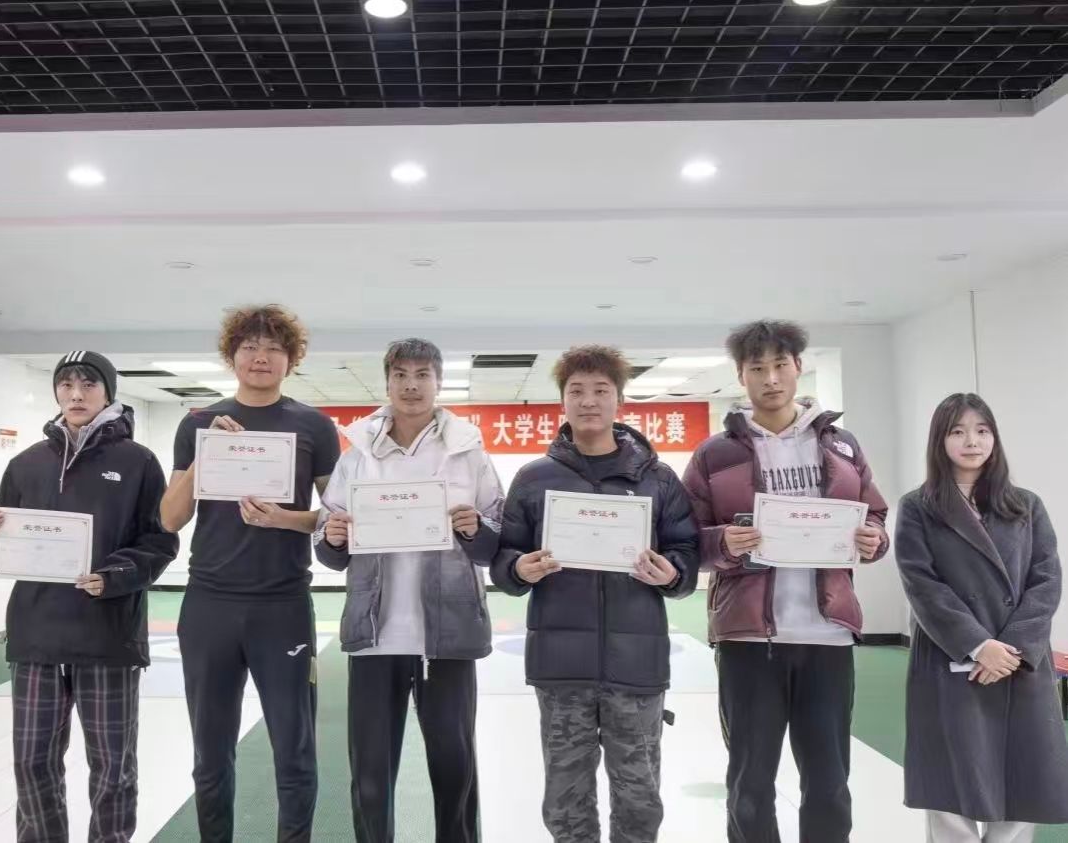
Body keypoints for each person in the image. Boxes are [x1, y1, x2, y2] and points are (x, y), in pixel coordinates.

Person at [680, 319, 889, 843]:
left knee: (829, 782)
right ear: (741, 376)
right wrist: (723, 543)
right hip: (749, 639)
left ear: (798, 367)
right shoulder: (714, 454)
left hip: (827, 635)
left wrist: (873, 540)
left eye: (780, 365)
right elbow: (683, 538)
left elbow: (875, 516)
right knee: (750, 783)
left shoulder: (842, 446)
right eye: (757, 368)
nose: (770, 378)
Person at [489, 344, 699, 843]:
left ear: (618, 400)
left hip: (637, 666)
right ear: (562, 400)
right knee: (565, 798)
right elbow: (504, 558)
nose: (588, 401)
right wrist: (518, 568)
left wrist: (671, 573)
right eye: (577, 390)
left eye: (601, 390)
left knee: (640, 796)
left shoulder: (657, 478)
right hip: (561, 667)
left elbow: (687, 550)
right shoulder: (535, 479)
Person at [0, 350, 178, 843]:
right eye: (67, 384)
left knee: (112, 765)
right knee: (32, 761)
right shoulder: (26, 463)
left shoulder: (138, 462)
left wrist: (114, 576)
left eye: (89, 384)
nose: (77, 394)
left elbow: (160, 541)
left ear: (108, 393)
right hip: (36, 635)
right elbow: (6, 540)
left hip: (107, 633)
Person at [160, 305, 341, 843]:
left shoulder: (313, 426)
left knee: (295, 749)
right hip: (208, 604)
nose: (261, 357)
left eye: (274, 349)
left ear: (291, 359)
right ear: (232, 356)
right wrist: (207, 454)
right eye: (250, 347)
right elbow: (169, 518)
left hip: (282, 605)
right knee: (210, 752)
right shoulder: (197, 424)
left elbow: (337, 518)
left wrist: (286, 519)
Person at [313, 338, 504, 843]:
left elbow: (498, 537)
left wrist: (476, 529)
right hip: (375, 635)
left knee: (455, 767)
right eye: (400, 375)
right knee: (370, 775)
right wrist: (333, 538)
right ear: (388, 382)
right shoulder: (357, 456)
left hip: (449, 635)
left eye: (422, 375)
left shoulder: (468, 452)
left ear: (439, 382)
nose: (411, 385)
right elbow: (328, 546)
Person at [895, 393, 1068, 842]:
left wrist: (1012, 649)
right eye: (958, 431)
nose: (972, 441)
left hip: (1019, 659)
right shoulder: (918, 507)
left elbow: (1047, 579)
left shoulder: (1025, 504)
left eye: (982, 430)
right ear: (940, 440)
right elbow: (922, 584)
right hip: (952, 655)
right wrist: (978, 645)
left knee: (1022, 775)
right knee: (949, 781)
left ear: (994, 437)